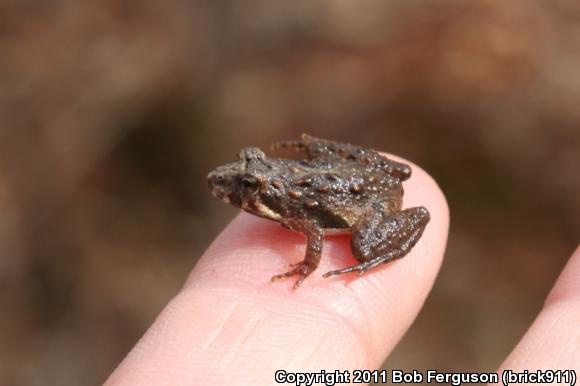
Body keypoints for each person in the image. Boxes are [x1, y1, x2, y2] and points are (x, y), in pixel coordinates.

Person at [105, 158, 579, 385]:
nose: (231, 183)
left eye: (247, 183)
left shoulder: (292, 210)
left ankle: (372, 256)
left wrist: (307, 268)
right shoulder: (285, 191)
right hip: (367, 177)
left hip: (372, 202)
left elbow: (311, 229)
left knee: (360, 245)